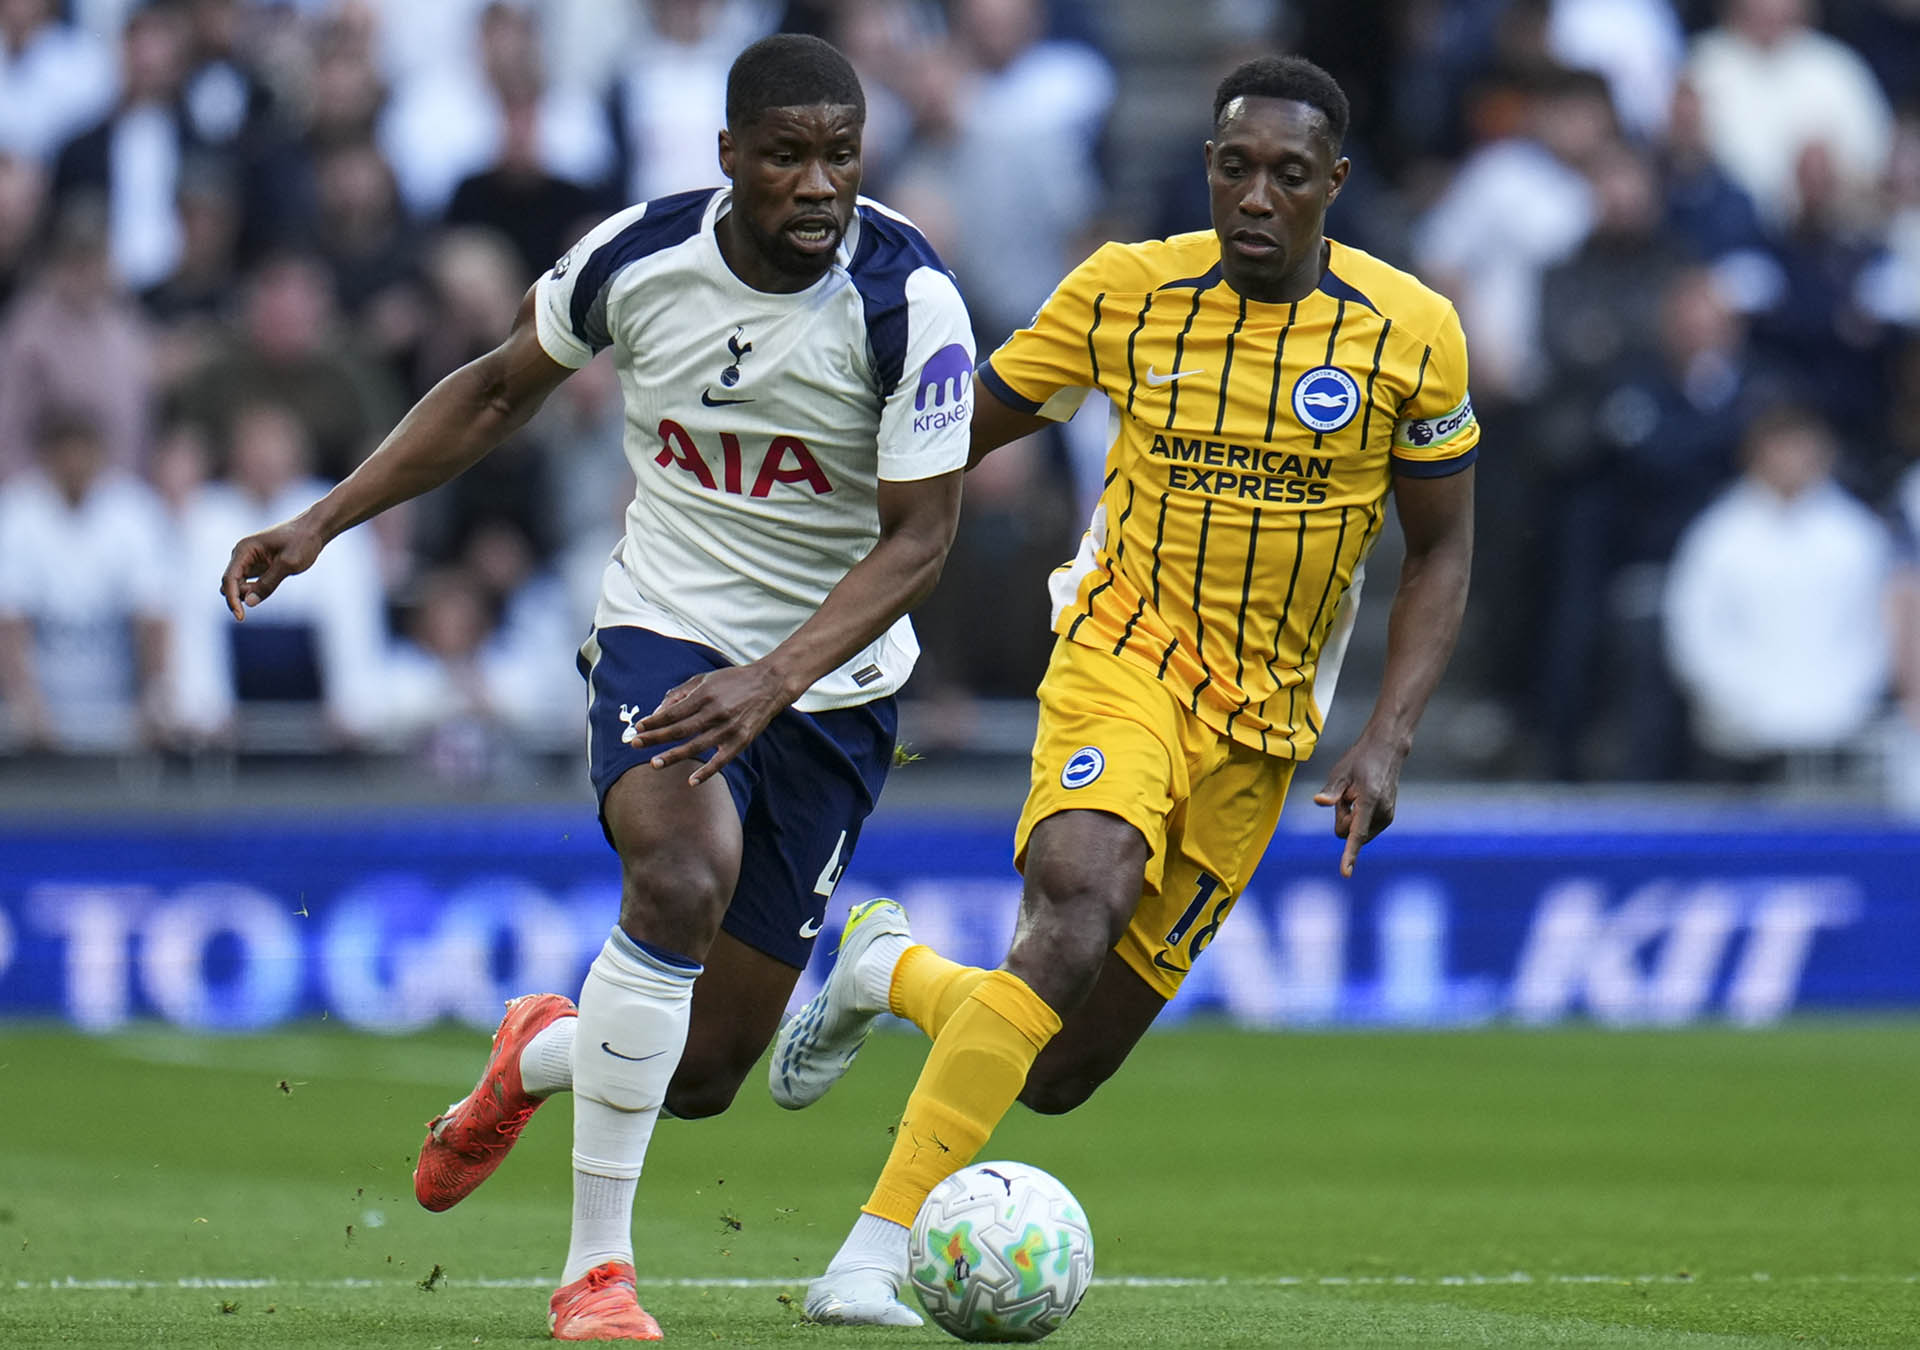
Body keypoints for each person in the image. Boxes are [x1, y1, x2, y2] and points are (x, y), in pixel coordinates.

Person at [217, 33, 972, 1342]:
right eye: (785, 156)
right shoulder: (636, 257)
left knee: (704, 1069)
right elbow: (494, 389)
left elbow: (921, 540)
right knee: (678, 875)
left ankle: (535, 1054)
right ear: (727, 154)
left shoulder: (909, 301)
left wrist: (775, 679)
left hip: (829, 685)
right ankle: (595, 1275)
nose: (816, 184)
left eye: (840, 157)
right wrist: (322, 521)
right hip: (667, 635)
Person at [773, 54, 1479, 1326]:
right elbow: (958, 429)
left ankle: (891, 971)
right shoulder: (1124, 292)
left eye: (1287, 174)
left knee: (1056, 1069)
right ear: (1206, 167)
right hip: (1125, 657)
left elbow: (1441, 551)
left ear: (1334, 184)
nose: (1255, 196)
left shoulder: (1410, 332)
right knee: (1078, 903)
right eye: (1234, 167)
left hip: (1262, 729)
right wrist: (797, 508)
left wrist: (1388, 736)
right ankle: (870, 1253)